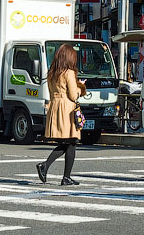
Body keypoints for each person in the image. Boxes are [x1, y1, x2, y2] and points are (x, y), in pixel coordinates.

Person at [37, 43, 85, 186]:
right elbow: (72, 95)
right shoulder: (69, 73)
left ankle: (49, 168)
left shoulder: (52, 73)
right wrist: (80, 87)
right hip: (67, 110)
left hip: (56, 107)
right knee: (71, 141)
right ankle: (62, 175)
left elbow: (52, 92)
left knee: (68, 142)